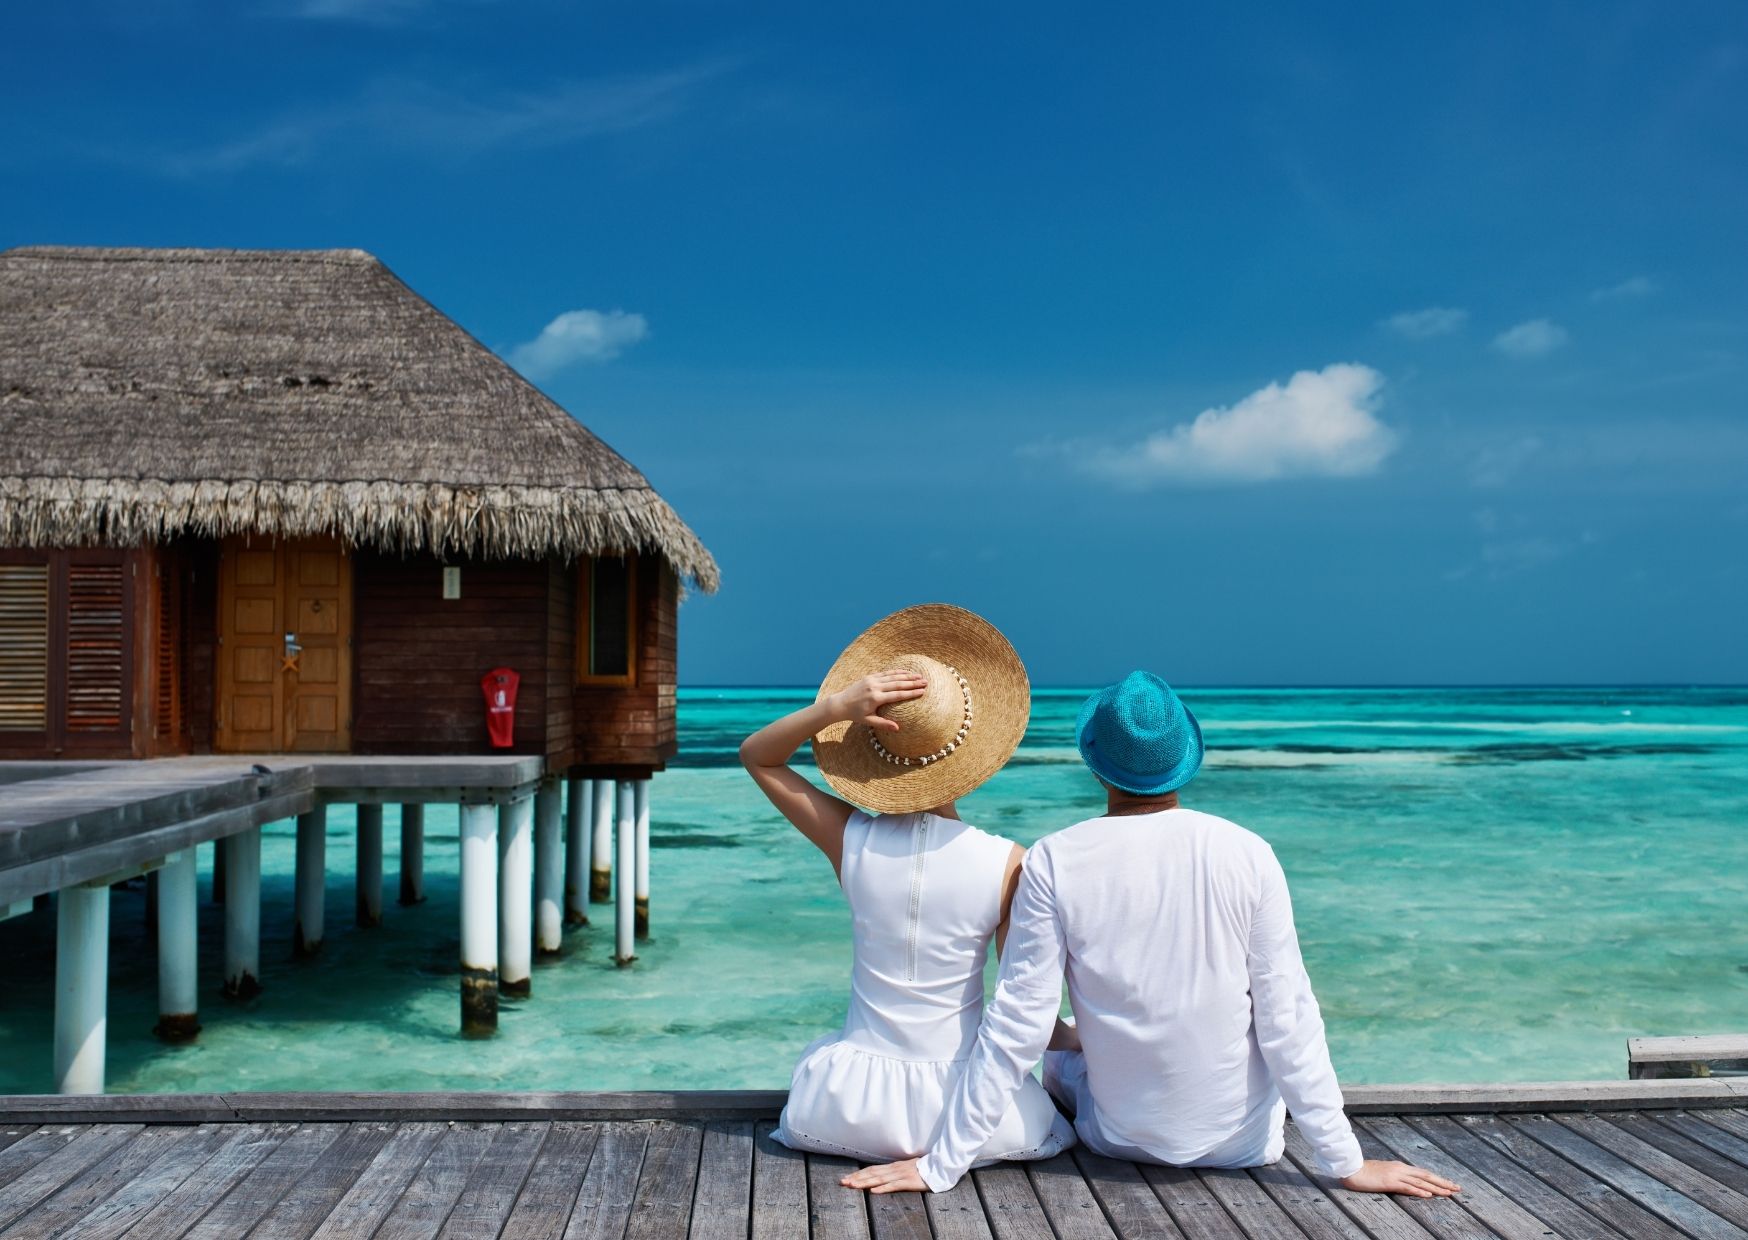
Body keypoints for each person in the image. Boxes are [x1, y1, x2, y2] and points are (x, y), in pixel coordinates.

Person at [844, 671, 1461, 1199]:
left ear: (1095, 762)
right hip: (1246, 1144)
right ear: (1184, 756)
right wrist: (1346, 1164)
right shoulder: (1248, 853)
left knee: (1062, 1048)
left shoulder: (1056, 859)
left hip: (1119, 1140)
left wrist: (941, 1164)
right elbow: (1288, 1019)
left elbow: (1018, 1025)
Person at [740, 603, 1073, 1166]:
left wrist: (835, 709)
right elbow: (1024, 1014)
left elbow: (759, 757)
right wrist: (1097, 1034)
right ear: (974, 753)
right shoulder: (1008, 862)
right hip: (969, 1116)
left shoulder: (850, 841)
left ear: (878, 751)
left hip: (844, 1110)